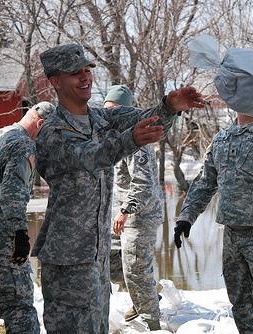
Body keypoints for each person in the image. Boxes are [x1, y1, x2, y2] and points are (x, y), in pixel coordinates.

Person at [31, 43, 204, 334]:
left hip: (96, 255)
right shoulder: (53, 131)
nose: (85, 77)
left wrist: (170, 106)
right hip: (67, 259)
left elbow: (143, 118)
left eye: (88, 69)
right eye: (75, 72)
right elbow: (89, 155)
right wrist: (130, 140)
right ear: (55, 81)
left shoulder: (100, 117)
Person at [174, 35, 253, 334]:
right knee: (242, 308)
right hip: (233, 235)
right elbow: (206, 182)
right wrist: (186, 216)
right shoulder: (223, 138)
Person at [0, 102, 55, 334]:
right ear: (40, 124)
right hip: (2, 240)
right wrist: (20, 234)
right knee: (19, 308)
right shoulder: (23, 145)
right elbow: (11, 194)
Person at [104, 85, 165, 329]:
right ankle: (147, 292)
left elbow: (143, 182)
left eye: (115, 110)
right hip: (120, 215)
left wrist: (126, 210)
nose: (110, 116)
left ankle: (153, 324)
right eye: (106, 110)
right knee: (106, 261)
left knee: (136, 269)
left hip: (140, 215)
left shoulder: (138, 141)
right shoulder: (115, 139)